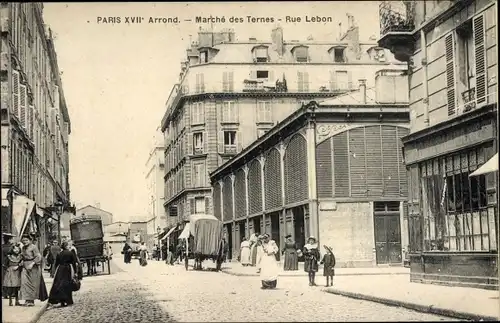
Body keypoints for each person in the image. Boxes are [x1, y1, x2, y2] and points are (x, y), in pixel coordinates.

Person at [20, 235, 48, 306]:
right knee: (25, 283)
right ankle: (27, 299)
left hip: (33, 268)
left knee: (32, 284)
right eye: (23, 241)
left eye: (26, 240)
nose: (25, 242)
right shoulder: (23, 247)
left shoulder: (34, 247)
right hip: (25, 266)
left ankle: (31, 301)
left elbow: (38, 257)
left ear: (30, 240)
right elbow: (22, 256)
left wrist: (32, 264)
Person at [48, 241, 78, 307]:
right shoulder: (70, 253)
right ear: (66, 246)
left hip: (60, 269)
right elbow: (74, 262)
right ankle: (68, 301)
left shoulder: (59, 254)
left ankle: (61, 301)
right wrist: (75, 272)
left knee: (59, 284)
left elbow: (56, 263)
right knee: (67, 284)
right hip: (68, 269)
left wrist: (55, 271)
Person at [2, 233, 16, 298]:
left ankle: (4, 294)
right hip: (10, 264)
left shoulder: (2, 246)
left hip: (3, 264)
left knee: (4, 278)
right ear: (9, 240)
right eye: (12, 239)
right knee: (11, 278)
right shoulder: (12, 247)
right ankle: (11, 293)